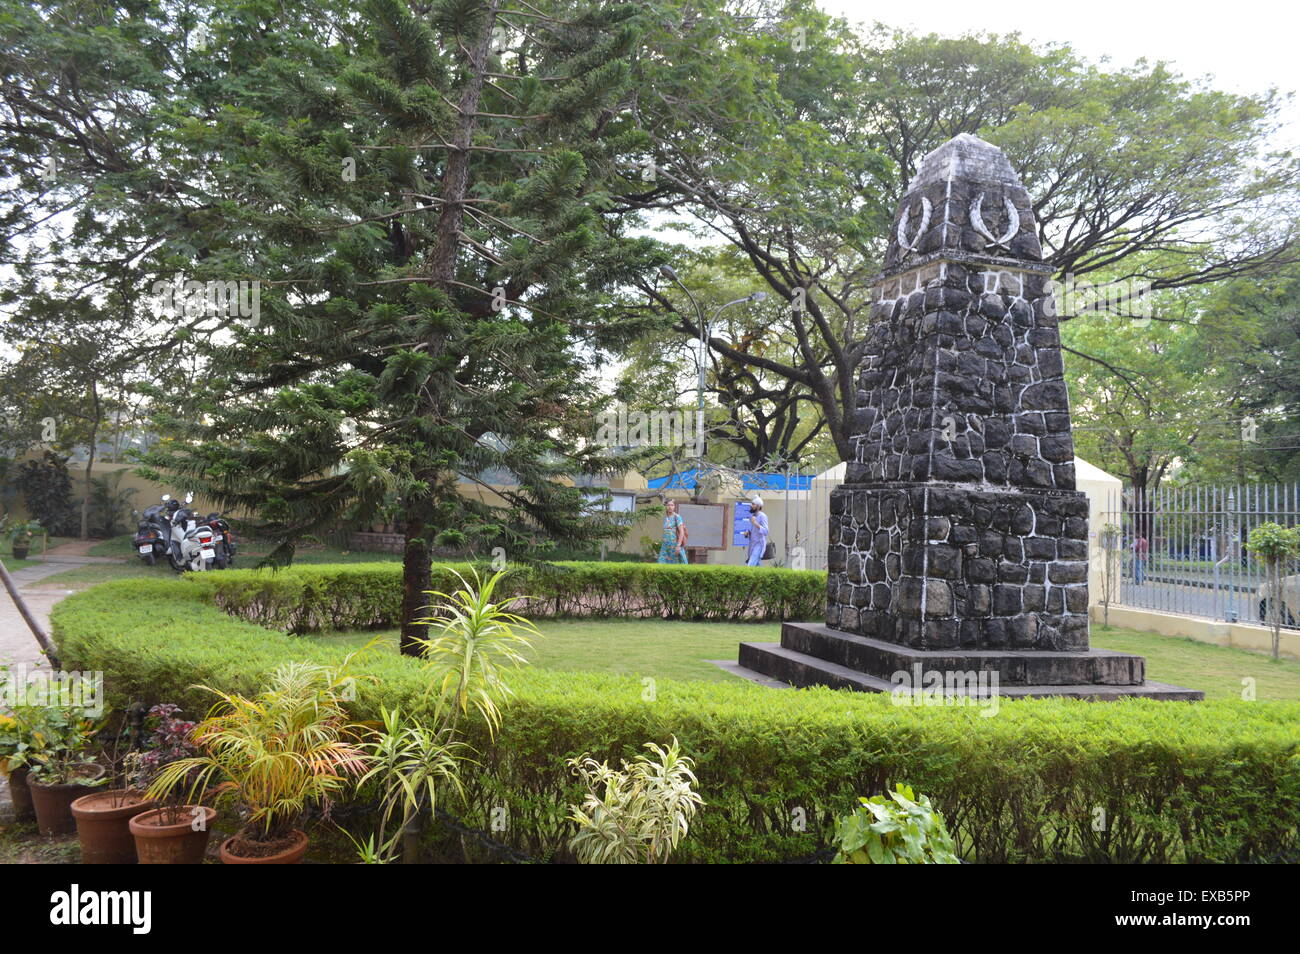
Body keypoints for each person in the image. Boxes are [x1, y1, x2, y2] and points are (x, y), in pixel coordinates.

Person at [657, 498, 688, 563]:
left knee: (676, 565)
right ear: (666, 506)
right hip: (665, 546)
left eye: (672, 505)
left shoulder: (677, 517)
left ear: (674, 506)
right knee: (661, 564)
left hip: (675, 546)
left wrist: (678, 546)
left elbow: (681, 532)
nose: (670, 507)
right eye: (668, 505)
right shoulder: (666, 518)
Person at [743, 496, 770, 567]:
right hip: (752, 545)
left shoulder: (763, 516)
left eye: (753, 504)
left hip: (759, 545)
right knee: (756, 567)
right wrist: (747, 533)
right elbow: (752, 530)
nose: (751, 506)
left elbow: (766, 531)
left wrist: (755, 523)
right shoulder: (752, 516)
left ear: (758, 506)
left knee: (750, 566)